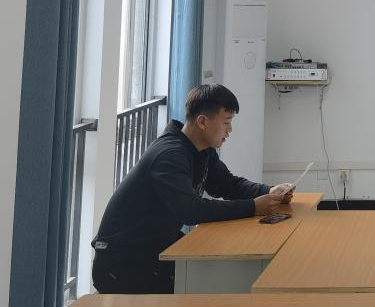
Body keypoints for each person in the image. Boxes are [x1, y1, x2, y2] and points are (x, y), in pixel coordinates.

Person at [92, 84, 294, 294]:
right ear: (202, 121)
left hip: (153, 247)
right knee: (211, 284)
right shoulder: (170, 155)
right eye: (226, 122)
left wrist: (269, 191)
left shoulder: (201, 149)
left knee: (216, 275)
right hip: (122, 261)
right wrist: (253, 207)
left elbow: (227, 184)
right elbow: (191, 210)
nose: (230, 130)